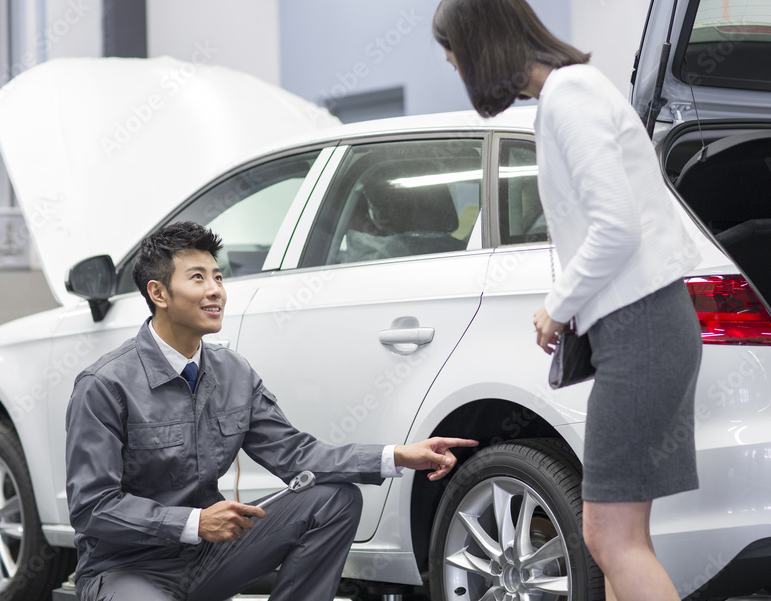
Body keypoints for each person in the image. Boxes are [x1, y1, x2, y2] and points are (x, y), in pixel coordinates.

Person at [433, 0, 702, 601]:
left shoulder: (569, 96)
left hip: (641, 328)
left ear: (480, 45)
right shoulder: (570, 93)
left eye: (454, 54)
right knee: (619, 539)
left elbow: (616, 228)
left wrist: (557, 307)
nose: (453, 66)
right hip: (644, 328)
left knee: (610, 539)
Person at [65, 221, 477, 601]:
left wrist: (396, 456)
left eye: (218, 277)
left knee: (332, 499)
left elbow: (298, 456)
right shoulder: (104, 385)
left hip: (209, 559)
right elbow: (92, 509)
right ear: (159, 293)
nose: (215, 291)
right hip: (126, 570)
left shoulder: (233, 373)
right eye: (197, 278)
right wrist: (193, 522)